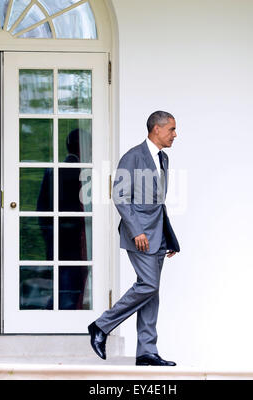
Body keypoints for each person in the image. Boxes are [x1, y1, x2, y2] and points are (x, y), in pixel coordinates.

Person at [88, 111, 180, 366]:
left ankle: (146, 351)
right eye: (171, 129)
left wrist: (167, 236)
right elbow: (120, 197)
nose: (175, 134)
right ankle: (101, 326)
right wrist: (137, 230)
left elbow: (158, 203)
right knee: (148, 285)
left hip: (158, 233)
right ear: (156, 129)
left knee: (152, 292)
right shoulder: (132, 156)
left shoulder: (164, 158)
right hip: (139, 235)